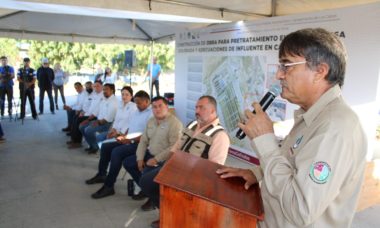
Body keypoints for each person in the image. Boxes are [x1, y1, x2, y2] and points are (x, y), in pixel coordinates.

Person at [216, 28, 367, 227]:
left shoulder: (335, 128)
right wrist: (258, 173)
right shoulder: (312, 116)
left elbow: (300, 209)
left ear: (320, 72)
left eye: (287, 65)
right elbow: (292, 165)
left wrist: (266, 141)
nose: (279, 74)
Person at [139, 95, 230, 227]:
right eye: (196, 107)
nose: (197, 111)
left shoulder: (220, 136)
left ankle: (174, 217)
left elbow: (214, 168)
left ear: (212, 111)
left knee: (155, 186)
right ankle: (168, 213)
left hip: (192, 178)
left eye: (201, 108)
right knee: (146, 182)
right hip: (174, 168)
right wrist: (166, 166)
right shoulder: (192, 124)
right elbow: (176, 147)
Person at [86, 90, 152, 199]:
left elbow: (147, 136)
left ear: (147, 101)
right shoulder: (138, 111)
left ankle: (109, 186)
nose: (137, 105)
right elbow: (131, 127)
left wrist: (129, 140)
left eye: (139, 103)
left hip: (140, 144)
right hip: (130, 140)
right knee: (106, 147)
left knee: (117, 152)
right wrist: (124, 136)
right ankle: (102, 174)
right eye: (136, 103)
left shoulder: (150, 114)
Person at [122, 96, 182, 205]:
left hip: (164, 159)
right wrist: (140, 158)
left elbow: (174, 147)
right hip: (150, 154)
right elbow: (143, 141)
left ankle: (152, 197)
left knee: (146, 175)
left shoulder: (175, 124)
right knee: (128, 163)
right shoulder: (151, 121)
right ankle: (146, 190)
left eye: (160, 106)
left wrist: (156, 159)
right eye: (154, 107)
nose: (157, 109)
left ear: (167, 107)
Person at [80, 83, 118, 154]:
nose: (104, 91)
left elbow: (108, 119)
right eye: (103, 89)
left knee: (88, 130)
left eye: (106, 89)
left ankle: (95, 147)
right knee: (82, 126)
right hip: (99, 121)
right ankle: (92, 145)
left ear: (112, 91)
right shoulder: (104, 99)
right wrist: (88, 120)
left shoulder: (114, 102)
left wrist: (97, 122)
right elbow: (96, 111)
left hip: (107, 124)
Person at [67, 81, 103, 148]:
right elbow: (89, 107)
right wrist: (83, 112)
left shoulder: (102, 96)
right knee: (75, 118)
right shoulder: (94, 94)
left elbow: (97, 110)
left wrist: (87, 116)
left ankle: (77, 142)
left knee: (78, 120)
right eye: (94, 86)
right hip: (88, 113)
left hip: (94, 116)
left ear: (102, 86)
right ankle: (73, 139)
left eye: (97, 86)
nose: (95, 88)